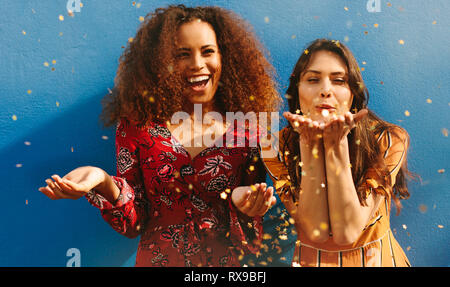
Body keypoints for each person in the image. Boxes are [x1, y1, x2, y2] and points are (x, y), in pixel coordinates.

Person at [38, 5, 279, 267]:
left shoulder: (249, 132)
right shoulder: (137, 127)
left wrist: (244, 208)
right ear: (161, 64)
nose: (197, 64)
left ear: (226, 57)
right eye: (182, 54)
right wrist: (101, 180)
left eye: (207, 51)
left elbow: (252, 239)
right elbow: (134, 223)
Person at [262, 39, 413, 267]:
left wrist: (336, 146)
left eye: (339, 81)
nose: (325, 90)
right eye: (313, 79)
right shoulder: (274, 146)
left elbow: (347, 233)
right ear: (297, 92)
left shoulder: (388, 139)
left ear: (353, 93)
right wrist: (309, 144)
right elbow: (315, 231)